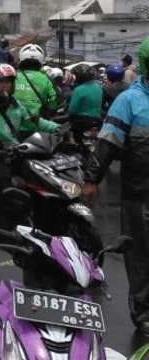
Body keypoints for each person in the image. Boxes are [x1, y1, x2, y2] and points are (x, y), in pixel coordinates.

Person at [82, 36, 149, 338]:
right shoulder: (129, 101)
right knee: (140, 258)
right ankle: (144, 314)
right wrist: (91, 179)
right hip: (140, 195)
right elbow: (107, 143)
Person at [0, 63, 59, 228]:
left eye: (8, 82)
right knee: (2, 181)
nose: (6, 86)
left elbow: (34, 121)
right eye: (1, 82)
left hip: (14, 151)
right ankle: (4, 223)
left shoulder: (15, 104)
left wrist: (57, 128)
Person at [13, 44, 64, 119]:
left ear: (20, 59)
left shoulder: (13, 77)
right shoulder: (45, 78)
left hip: (13, 123)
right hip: (37, 123)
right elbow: (59, 100)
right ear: (41, 62)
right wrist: (45, 108)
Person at [67, 63, 103, 146]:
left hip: (81, 122)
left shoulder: (79, 90)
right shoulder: (99, 88)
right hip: (97, 121)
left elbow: (72, 111)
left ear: (80, 77)